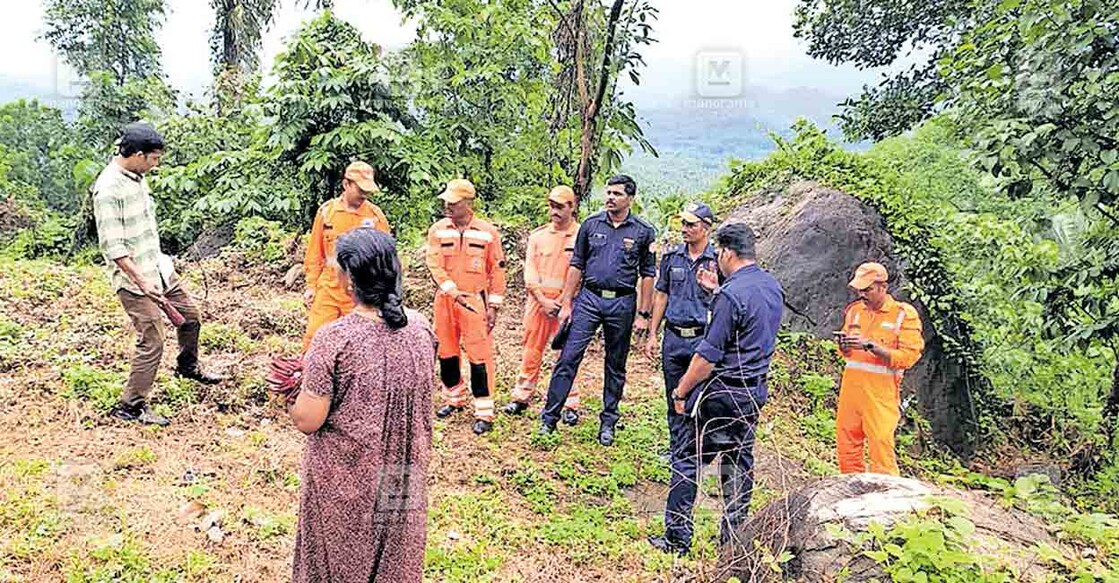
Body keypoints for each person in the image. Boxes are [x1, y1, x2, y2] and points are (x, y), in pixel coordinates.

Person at [289, 228, 436, 583]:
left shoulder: (335, 338)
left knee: (338, 559)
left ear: (347, 279)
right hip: (404, 470)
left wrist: (292, 392)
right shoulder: (420, 328)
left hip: (348, 476)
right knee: (395, 559)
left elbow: (309, 419)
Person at [649, 222, 783, 556]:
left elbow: (707, 356)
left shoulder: (731, 294)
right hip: (753, 391)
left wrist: (680, 391)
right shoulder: (770, 286)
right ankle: (732, 541)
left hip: (721, 393)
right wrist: (714, 293)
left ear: (726, 252)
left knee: (687, 459)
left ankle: (677, 538)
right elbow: (748, 326)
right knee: (738, 463)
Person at [93, 122, 222, 427]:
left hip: (158, 267)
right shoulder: (109, 189)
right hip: (134, 279)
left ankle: (187, 367)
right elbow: (114, 247)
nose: (157, 164)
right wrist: (141, 281)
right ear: (137, 154)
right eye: (154, 158)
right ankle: (131, 406)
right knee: (152, 339)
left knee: (190, 316)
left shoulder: (137, 177)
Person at [539, 174, 656, 446]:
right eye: (609, 192)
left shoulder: (642, 231)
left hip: (622, 302)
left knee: (615, 365)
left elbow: (648, 274)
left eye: (617, 194)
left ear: (630, 198)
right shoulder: (591, 225)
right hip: (589, 299)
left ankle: (608, 422)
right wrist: (567, 302)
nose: (610, 198)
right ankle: (549, 419)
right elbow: (577, 264)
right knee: (568, 357)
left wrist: (643, 314)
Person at [425, 179, 507, 435]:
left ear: (468, 203)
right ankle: (454, 397)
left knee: (479, 355)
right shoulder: (438, 230)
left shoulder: (487, 232)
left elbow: (497, 270)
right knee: (447, 351)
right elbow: (434, 263)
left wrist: (494, 305)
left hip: (474, 301)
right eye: (446, 202)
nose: (448, 206)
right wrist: (451, 290)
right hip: (446, 300)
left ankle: (484, 410)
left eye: (454, 202)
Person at [643, 202, 720, 455]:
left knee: (700, 398)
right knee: (673, 395)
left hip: (702, 340)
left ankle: (698, 450)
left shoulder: (717, 261)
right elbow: (661, 295)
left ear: (706, 228)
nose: (684, 229)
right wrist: (653, 334)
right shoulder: (672, 257)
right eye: (683, 224)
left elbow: (727, 300)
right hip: (673, 337)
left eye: (691, 224)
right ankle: (677, 450)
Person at [834, 262, 925, 475]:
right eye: (859, 290)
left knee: (880, 445)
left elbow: (909, 357)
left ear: (882, 286)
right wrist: (844, 346)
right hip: (851, 390)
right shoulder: (855, 312)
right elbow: (847, 354)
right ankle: (851, 491)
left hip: (881, 393)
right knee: (847, 443)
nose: (862, 294)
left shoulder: (903, 314)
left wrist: (872, 346)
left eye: (867, 289)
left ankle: (887, 499)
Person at [503, 186, 583, 422]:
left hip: (567, 304)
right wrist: (542, 299)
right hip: (538, 302)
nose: (554, 211)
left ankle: (569, 402)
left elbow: (581, 272)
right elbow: (530, 271)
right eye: (552, 206)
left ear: (572, 207)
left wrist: (563, 300)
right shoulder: (538, 237)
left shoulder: (581, 236)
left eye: (560, 206)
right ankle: (521, 396)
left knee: (567, 353)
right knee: (531, 349)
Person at [302, 161, 391, 352]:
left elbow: (387, 258)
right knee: (315, 340)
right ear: (346, 185)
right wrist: (311, 285)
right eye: (360, 189)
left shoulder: (375, 216)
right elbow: (315, 252)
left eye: (367, 191)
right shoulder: (327, 213)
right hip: (329, 287)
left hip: (361, 293)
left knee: (358, 346)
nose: (364, 195)